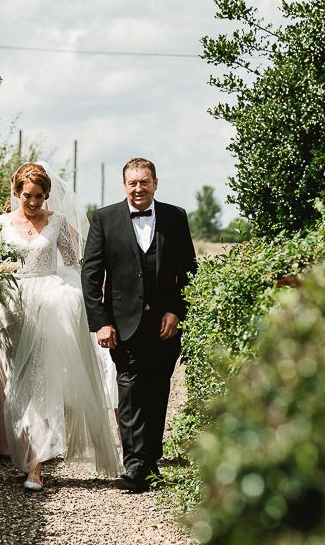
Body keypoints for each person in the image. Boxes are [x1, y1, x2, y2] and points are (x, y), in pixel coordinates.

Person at [0, 162, 121, 491]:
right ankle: (26, 450)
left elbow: (76, 263)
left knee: (40, 385)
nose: (33, 203)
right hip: (12, 309)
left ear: (47, 196)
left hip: (48, 305)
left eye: (40, 197)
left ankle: (36, 466)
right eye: (27, 196)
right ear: (16, 192)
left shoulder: (57, 222)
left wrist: (85, 299)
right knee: (16, 387)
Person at [82, 157, 197, 492]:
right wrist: (101, 322)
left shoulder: (176, 217)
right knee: (130, 389)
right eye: (132, 183)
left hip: (164, 323)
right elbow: (91, 276)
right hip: (122, 323)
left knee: (158, 390)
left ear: (155, 183)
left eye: (144, 182)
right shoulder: (104, 219)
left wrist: (176, 310)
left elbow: (189, 270)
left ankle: (150, 462)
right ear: (124, 185)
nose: (138, 189)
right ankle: (134, 467)